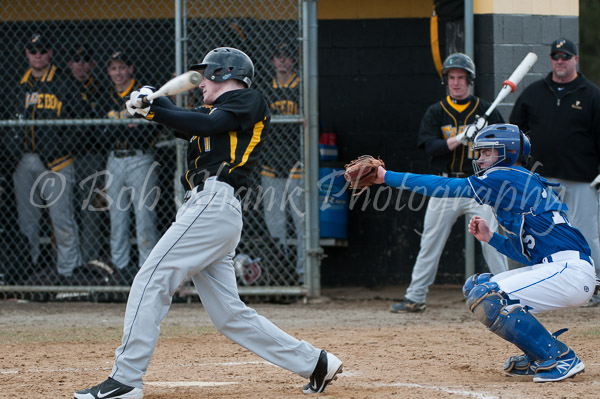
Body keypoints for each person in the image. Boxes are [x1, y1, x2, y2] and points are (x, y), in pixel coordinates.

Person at [74, 47, 343, 399]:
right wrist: (147, 101)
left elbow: (207, 123)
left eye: (207, 75)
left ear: (224, 72)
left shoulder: (248, 100)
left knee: (151, 280)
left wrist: (154, 108)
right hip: (208, 210)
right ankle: (315, 363)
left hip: (214, 203)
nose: (200, 82)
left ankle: (125, 379)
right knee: (229, 315)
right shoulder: (214, 112)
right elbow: (185, 120)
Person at [375, 123, 597, 382]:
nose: (480, 159)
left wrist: (386, 176)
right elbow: (528, 253)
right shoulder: (516, 181)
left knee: (488, 296)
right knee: (476, 286)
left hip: (569, 272)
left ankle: (560, 357)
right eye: (479, 152)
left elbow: (445, 187)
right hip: (557, 269)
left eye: (487, 152)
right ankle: (538, 354)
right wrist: (490, 238)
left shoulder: (506, 175)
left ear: (508, 153)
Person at [389, 53, 508, 313]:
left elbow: (504, 147)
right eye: (452, 78)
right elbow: (431, 147)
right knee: (429, 243)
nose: (456, 83)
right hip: (444, 187)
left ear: (470, 80)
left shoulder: (486, 110)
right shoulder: (436, 111)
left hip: (479, 187)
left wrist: (479, 139)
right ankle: (415, 297)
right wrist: (458, 138)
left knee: (493, 243)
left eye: (461, 78)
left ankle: (509, 293)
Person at [510, 38, 600, 307]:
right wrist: (516, 168)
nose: (560, 61)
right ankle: (538, 286)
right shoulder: (534, 92)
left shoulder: (592, 94)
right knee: (538, 232)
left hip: (581, 179)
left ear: (575, 60)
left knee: (586, 233)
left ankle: (594, 286)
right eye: (555, 56)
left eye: (565, 56)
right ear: (551, 60)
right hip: (540, 181)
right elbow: (516, 132)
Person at [14, 33, 82, 285]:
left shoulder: (64, 84)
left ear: (50, 53)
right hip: (24, 162)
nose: (38, 55)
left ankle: (69, 273)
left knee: (61, 220)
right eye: (33, 51)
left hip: (57, 163)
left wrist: (58, 147)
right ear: (26, 54)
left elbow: (81, 125)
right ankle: (25, 273)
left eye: (42, 50)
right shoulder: (19, 86)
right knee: (27, 223)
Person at [103, 50, 159, 282]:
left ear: (130, 69)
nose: (118, 73)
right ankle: (119, 270)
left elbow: (148, 131)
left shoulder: (142, 93)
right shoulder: (106, 94)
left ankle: (147, 271)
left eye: (121, 68)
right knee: (117, 219)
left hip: (140, 158)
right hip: (114, 158)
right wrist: (125, 127)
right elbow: (102, 134)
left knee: (144, 217)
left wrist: (121, 128)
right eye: (113, 68)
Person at [260, 43, 304, 283]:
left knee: (301, 221)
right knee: (275, 221)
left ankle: (303, 273)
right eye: (278, 56)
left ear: (293, 60)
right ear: (272, 60)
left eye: (287, 57)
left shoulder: (302, 86)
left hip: (297, 161)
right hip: (270, 162)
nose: (282, 61)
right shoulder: (266, 89)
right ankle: (281, 271)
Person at [67, 44, 109, 264]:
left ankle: (89, 263)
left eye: (84, 61)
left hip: (91, 156)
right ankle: (67, 265)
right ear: (69, 64)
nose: (80, 66)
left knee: (90, 209)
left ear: (92, 64)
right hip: (64, 157)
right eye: (76, 61)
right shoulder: (62, 88)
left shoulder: (101, 90)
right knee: (63, 212)